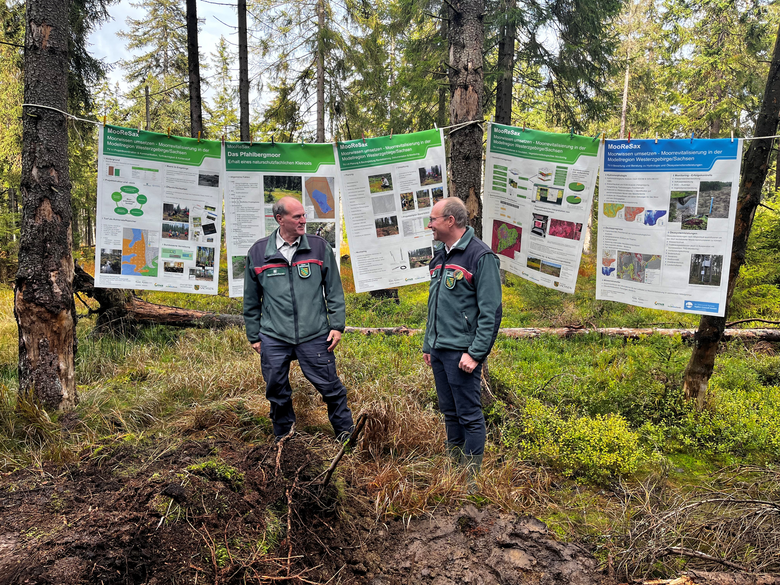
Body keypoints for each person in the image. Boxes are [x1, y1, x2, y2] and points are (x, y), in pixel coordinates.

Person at [244, 197, 353, 442]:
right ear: (279, 219)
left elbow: (334, 290)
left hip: (314, 333)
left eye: (304, 215)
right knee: (277, 391)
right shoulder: (259, 252)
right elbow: (251, 300)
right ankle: (284, 440)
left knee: (331, 389)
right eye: (297, 217)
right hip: (274, 335)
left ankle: (346, 439)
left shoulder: (318, 247)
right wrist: (254, 335)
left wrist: (337, 326)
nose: (303, 220)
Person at [422, 198, 502, 484]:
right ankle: (453, 473)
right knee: (449, 413)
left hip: (463, 354)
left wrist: (476, 353)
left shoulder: (480, 256)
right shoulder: (440, 256)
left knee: (468, 414)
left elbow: (491, 311)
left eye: (432, 219)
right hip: (440, 351)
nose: (429, 224)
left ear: (450, 221)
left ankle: (470, 481)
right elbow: (434, 305)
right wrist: (429, 345)